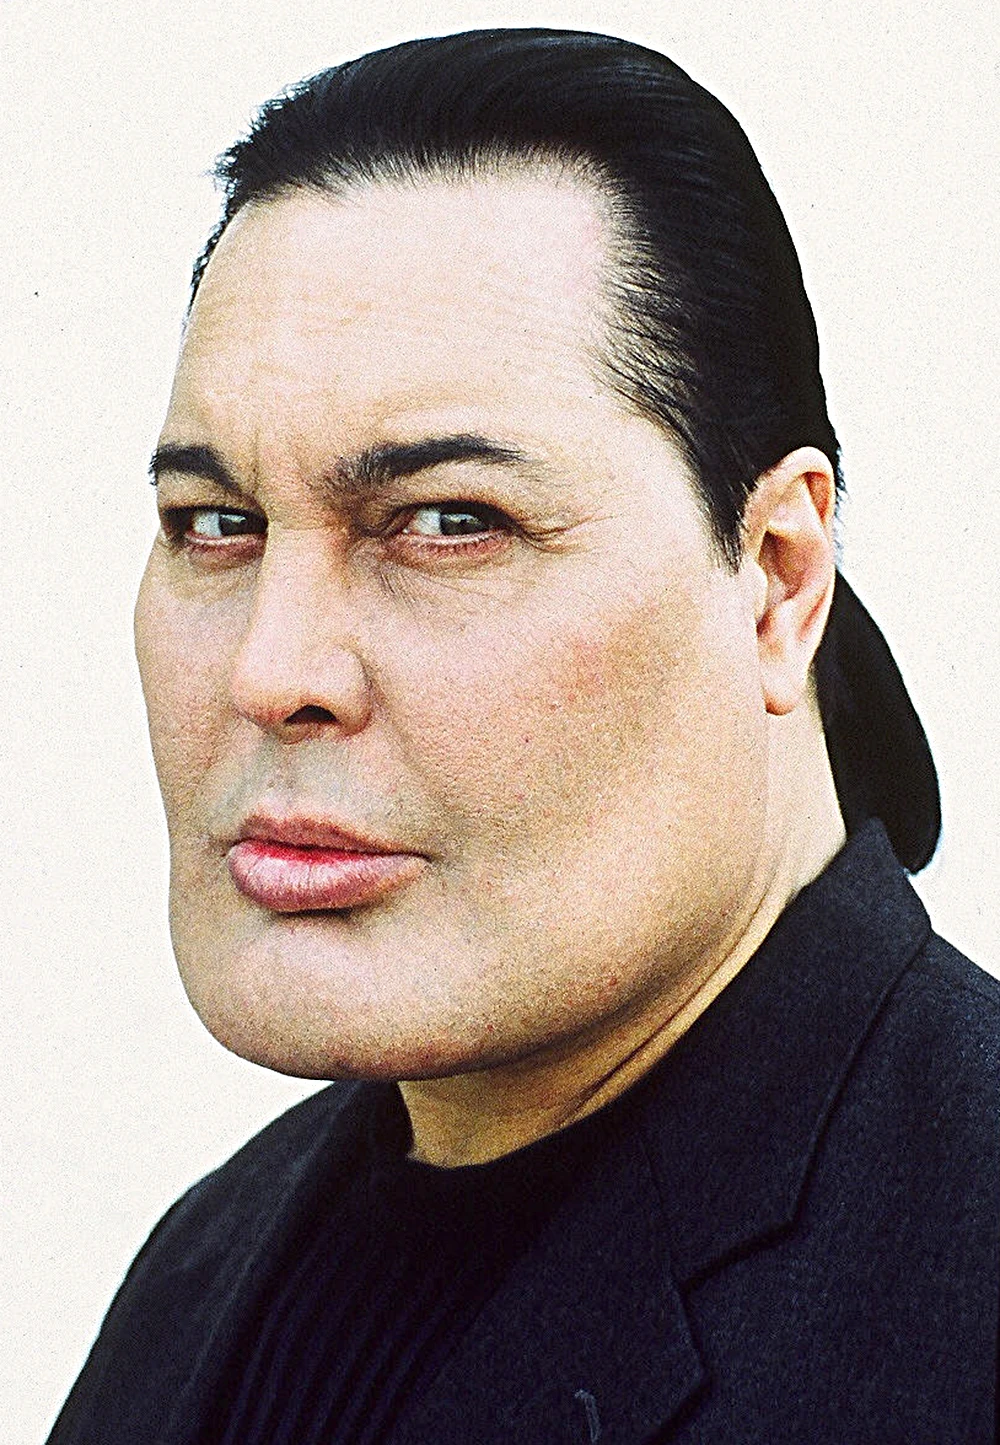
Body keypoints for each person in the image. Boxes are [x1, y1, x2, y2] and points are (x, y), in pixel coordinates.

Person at [46, 28, 998, 1444]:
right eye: (218, 523)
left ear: (777, 579)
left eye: (450, 522)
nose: (271, 670)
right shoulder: (199, 1277)